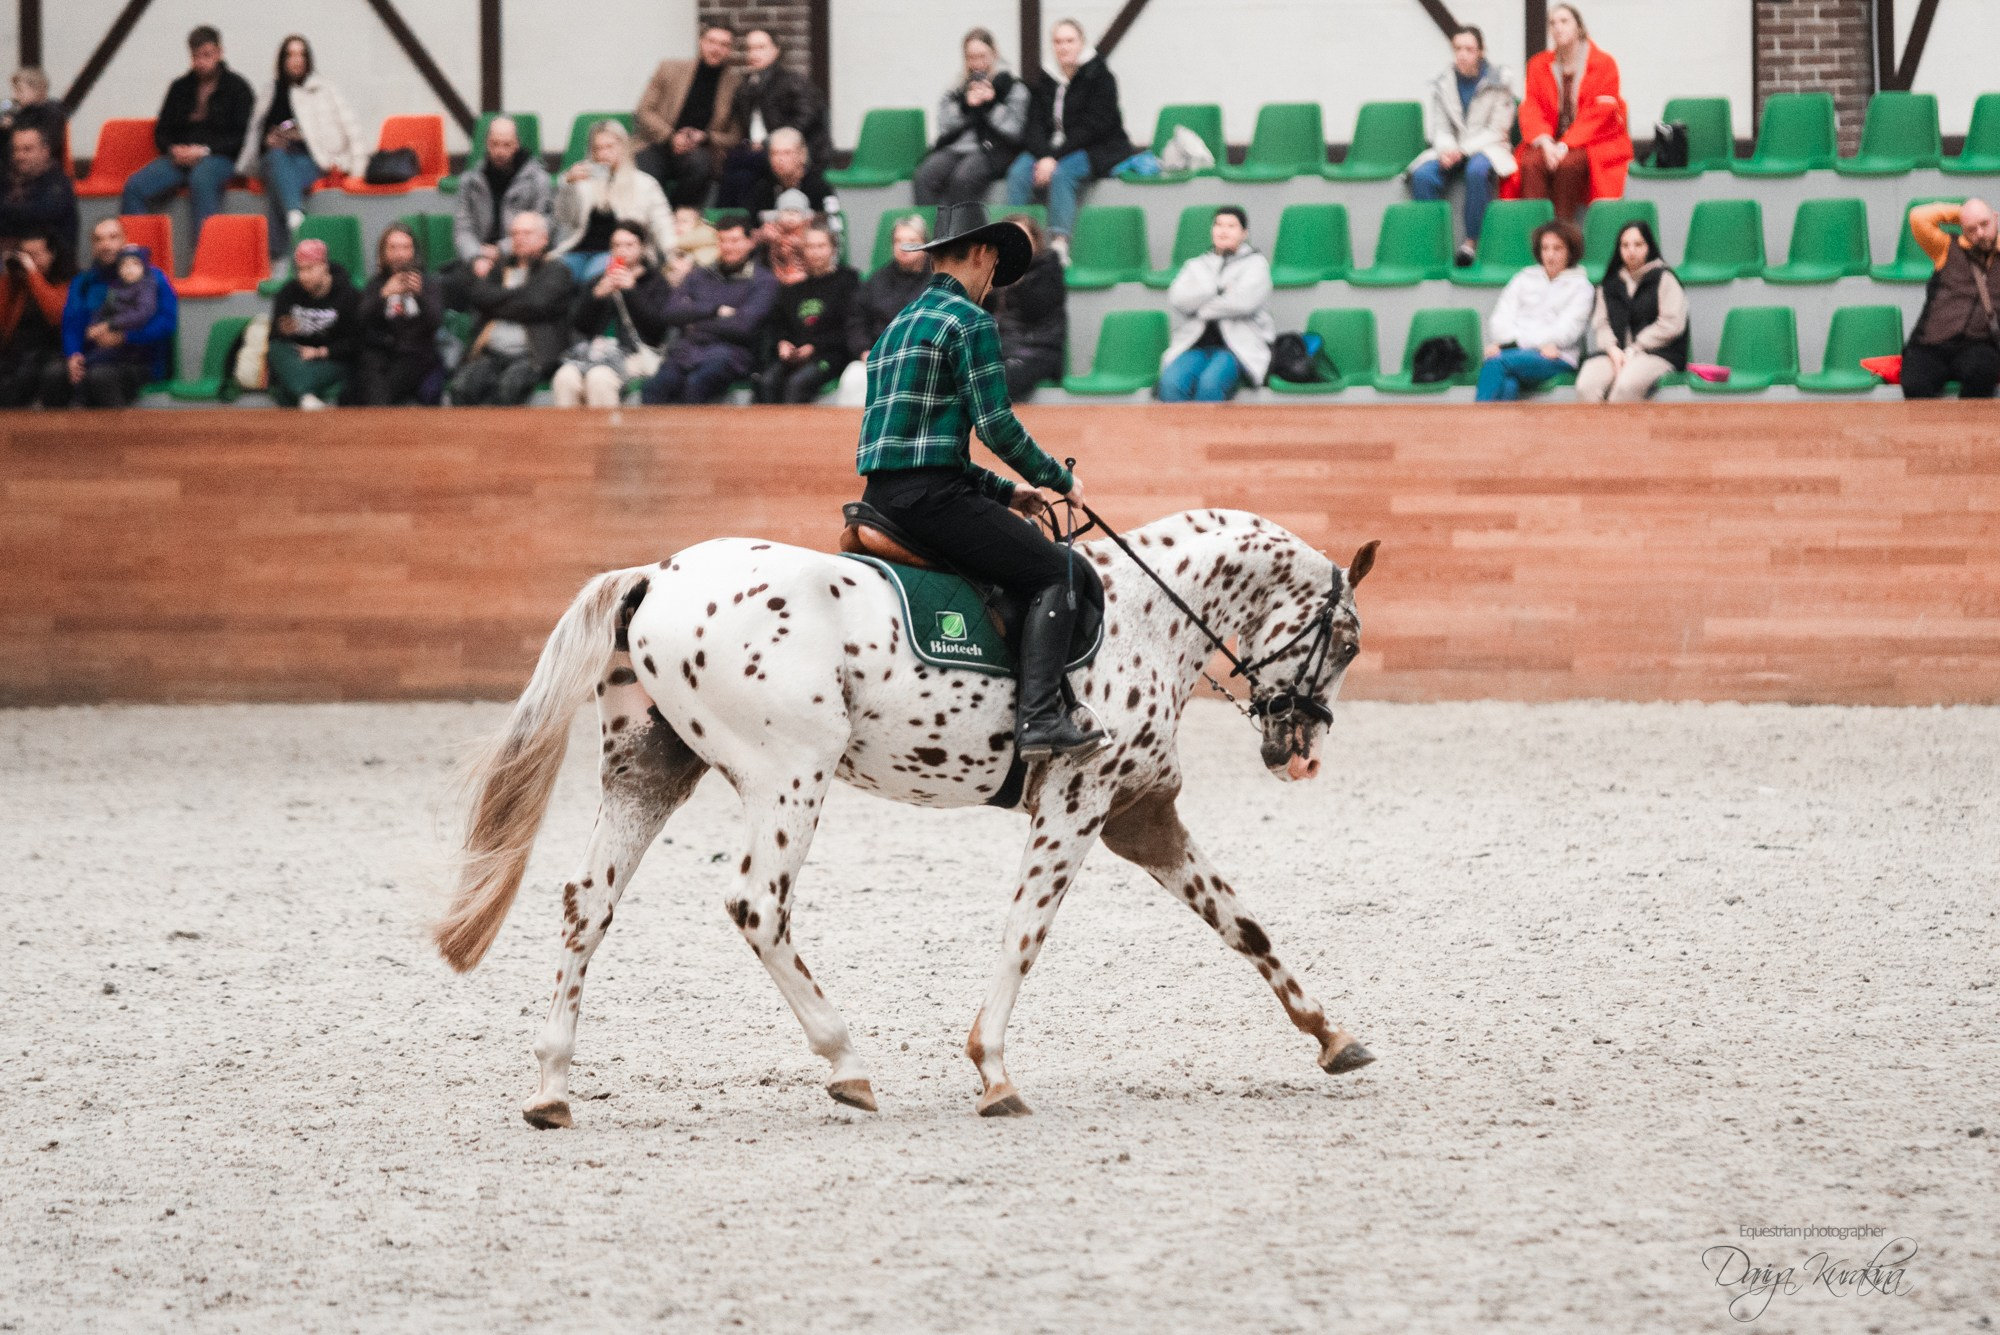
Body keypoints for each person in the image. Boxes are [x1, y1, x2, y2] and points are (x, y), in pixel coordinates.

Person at [855, 200, 1103, 759]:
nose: (994, 282)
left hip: (883, 497)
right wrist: (1056, 480)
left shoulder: (898, 325)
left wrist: (1007, 492)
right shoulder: (970, 322)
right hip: (932, 501)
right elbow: (996, 427)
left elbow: (917, 447)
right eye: (995, 266)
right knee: (1062, 570)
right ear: (985, 254)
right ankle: (1039, 719)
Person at [1005, 19, 1133, 260]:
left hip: (1094, 147)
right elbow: (1033, 125)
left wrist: (1053, 158)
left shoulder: (1101, 76)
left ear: (1081, 43)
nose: (1063, 47)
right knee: (1018, 172)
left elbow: (1094, 127)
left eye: (1069, 41)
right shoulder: (1045, 79)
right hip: (1051, 149)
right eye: (1057, 41)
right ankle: (1014, 241)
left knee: (1063, 173)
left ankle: (1058, 243)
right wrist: (1043, 155)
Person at [235, 35, 366, 257]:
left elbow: (350, 127)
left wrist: (302, 136)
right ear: (282, 60)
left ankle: (280, 256)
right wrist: (268, 140)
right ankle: (295, 215)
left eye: (301, 54)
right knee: (276, 160)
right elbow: (254, 136)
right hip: (274, 158)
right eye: (291, 54)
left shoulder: (324, 89)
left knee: (280, 182)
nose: (296, 60)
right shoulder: (270, 91)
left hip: (310, 159)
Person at [120, 26, 255, 239]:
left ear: (219, 53)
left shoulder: (238, 88)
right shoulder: (179, 88)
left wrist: (204, 151)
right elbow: (161, 132)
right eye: (195, 56)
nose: (201, 62)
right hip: (179, 159)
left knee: (201, 178)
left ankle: (205, 261)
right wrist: (173, 150)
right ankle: (136, 259)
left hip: (220, 158)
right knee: (134, 186)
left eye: (207, 55)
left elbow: (245, 137)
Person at [1407, 26, 1516, 267]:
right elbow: (1440, 127)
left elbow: (1498, 129)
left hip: (1488, 147)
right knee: (1422, 175)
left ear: (1481, 51)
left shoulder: (1500, 81)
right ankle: (1433, 244)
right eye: (1458, 49)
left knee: (1476, 171)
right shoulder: (1442, 84)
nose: (1462, 54)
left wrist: (1463, 151)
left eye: (1469, 49)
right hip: (1452, 149)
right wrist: (1447, 149)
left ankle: (1471, 243)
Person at [640, 212, 777, 403]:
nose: (728, 247)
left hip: (729, 355)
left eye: (735, 241)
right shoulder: (699, 275)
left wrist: (695, 325)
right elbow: (670, 312)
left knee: (696, 384)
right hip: (686, 352)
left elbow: (744, 326)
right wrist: (714, 310)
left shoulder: (763, 281)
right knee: (655, 388)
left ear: (750, 242)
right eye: (723, 241)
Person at [1513, 4, 1630, 222]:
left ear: (1579, 27)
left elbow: (1600, 114)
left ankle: (1561, 235)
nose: (1558, 27)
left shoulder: (1603, 63)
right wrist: (1546, 144)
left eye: (1564, 21)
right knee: (1530, 163)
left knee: (1567, 165)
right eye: (1553, 23)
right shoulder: (1538, 64)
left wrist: (1565, 144)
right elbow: (1531, 108)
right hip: (1549, 140)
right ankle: (1535, 235)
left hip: (1590, 141)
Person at [46, 217, 177, 408]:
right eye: (99, 239)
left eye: (113, 237)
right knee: (54, 374)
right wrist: (73, 354)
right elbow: (71, 324)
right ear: (92, 245)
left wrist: (125, 337)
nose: (106, 245)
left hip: (138, 358)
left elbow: (166, 323)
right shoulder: (83, 282)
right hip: (93, 355)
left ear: (124, 241)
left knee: (99, 377)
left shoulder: (152, 278)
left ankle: (118, 436)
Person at [449, 211, 576, 406]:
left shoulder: (556, 271)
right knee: (461, 387)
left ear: (543, 239)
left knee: (508, 388)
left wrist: (496, 304)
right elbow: (479, 296)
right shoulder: (499, 268)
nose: (519, 239)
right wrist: (521, 296)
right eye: (515, 233)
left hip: (532, 356)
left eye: (526, 233)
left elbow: (536, 305)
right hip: (490, 353)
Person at [1158, 206, 1275, 402]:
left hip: (1236, 347)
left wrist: (1200, 308)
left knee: (1209, 384)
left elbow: (1243, 302)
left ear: (1244, 233)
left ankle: (1209, 434)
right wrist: (1217, 290)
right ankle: (1179, 433)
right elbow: (1178, 299)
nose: (1223, 230)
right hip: (1195, 344)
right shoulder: (1195, 265)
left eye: (1231, 226)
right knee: (1171, 384)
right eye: (1218, 225)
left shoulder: (1256, 264)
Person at [552, 221, 673, 407]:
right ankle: (569, 435)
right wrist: (596, 297)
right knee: (565, 377)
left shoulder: (655, 282)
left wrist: (632, 292)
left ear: (642, 248)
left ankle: (604, 436)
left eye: (629, 245)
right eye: (617, 245)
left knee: (599, 378)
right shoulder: (597, 281)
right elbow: (578, 324)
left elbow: (656, 329)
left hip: (634, 354)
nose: (622, 250)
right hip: (595, 352)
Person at [1474, 218, 1593, 400]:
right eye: (1545, 248)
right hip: (1520, 353)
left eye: (1557, 248)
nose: (1550, 255)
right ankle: (1502, 428)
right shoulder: (1523, 278)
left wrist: (1512, 344)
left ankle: (1476, 425)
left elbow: (1565, 334)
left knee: (1495, 363)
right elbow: (1499, 321)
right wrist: (1524, 345)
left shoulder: (1582, 287)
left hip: (1557, 357)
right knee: (1508, 384)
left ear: (1570, 252)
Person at [715, 29, 832, 208]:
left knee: (741, 165)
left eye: (761, 47)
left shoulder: (793, 81)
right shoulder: (746, 86)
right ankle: (731, 219)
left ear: (776, 50)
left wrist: (771, 142)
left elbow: (806, 117)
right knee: (735, 166)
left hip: (792, 150)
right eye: (750, 49)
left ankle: (732, 217)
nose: (754, 54)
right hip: (756, 150)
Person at [913, 28, 1030, 208]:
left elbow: (1015, 130)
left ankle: (965, 234)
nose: (977, 63)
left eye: (982, 56)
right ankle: (929, 233)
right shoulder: (956, 88)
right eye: (971, 57)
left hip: (993, 150)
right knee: (924, 175)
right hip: (956, 148)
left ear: (994, 54)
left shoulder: (1013, 88)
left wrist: (991, 106)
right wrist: (965, 106)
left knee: (963, 178)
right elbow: (944, 125)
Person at [633, 21, 744, 209]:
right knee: (646, 169)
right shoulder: (669, 69)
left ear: (730, 50)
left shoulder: (736, 84)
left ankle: (676, 215)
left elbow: (735, 135)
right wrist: (671, 137)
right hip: (658, 143)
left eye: (724, 44)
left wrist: (706, 137)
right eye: (711, 41)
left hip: (699, 149)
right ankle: (650, 220)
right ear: (701, 41)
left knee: (702, 164)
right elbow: (644, 111)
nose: (716, 49)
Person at [447, 115, 555, 309]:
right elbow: (462, 227)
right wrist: (475, 257)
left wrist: (501, 250)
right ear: (487, 144)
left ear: (517, 145)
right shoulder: (470, 181)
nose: (500, 151)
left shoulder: (539, 180)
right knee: (448, 285)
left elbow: (544, 225)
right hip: (478, 256)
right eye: (495, 144)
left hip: (519, 257)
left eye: (507, 145)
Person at [1575, 219, 1687, 403]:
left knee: (1625, 386)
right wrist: (1612, 349)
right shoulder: (1610, 283)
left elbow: (1672, 323)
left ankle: (1620, 433)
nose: (1631, 250)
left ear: (1649, 246)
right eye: (1625, 245)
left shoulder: (1664, 278)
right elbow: (1601, 323)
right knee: (1586, 385)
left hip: (1657, 354)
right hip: (1614, 353)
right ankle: (1594, 432)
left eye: (1638, 244)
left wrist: (1636, 347)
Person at [552, 119, 675, 284]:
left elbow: (662, 223)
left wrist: (673, 254)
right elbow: (564, 218)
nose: (603, 154)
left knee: (591, 279)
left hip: (620, 254)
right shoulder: (581, 179)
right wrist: (568, 186)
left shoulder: (645, 184)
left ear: (623, 148)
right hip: (577, 250)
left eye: (609, 147)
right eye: (597, 148)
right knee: (551, 279)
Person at [1900, 199, 1999, 399]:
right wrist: (1962, 213)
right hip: (1931, 344)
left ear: (1996, 218)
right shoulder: (1945, 247)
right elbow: (1918, 217)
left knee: (1983, 371)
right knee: (1914, 382)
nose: (1979, 233)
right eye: (1971, 229)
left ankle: (1970, 429)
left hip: (1978, 344)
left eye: (1984, 224)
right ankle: (1928, 431)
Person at [753, 225, 857, 403]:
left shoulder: (847, 280)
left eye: (821, 246)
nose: (815, 252)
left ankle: (795, 431)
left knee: (797, 384)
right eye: (810, 246)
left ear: (832, 249)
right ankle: (768, 431)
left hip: (830, 355)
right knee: (766, 381)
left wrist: (814, 347)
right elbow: (779, 323)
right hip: (794, 355)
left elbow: (849, 326)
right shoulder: (793, 287)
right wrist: (783, 343)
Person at [835, 213, 931, 406]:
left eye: (912, 241)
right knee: (853, 379)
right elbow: (856, 321)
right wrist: (864, 351)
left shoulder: (940, 281)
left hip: (925, 362)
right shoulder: (876, 281)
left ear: (925, 245)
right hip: (879, 358)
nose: (904, 247)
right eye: (898, 241)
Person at [348, 222, 443, 406]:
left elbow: (436, 321)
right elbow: (359, 321)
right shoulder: (376, 284)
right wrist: (384, 294)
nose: (399, 254)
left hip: (415, 354)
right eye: (393, 248)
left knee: (379, 392)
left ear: (414, 252)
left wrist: (420, 296)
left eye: (405, 248)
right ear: (383, 253)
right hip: (379, 352)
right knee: (366, 371)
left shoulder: (428, 283)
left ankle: (380, 415)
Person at [267, 237, 358, 408]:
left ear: (324, 266)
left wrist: (320, 352)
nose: (303, 276)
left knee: (285, 388)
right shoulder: (288, 293)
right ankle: (303, 393)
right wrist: (283, 331)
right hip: (295, 357)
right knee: (276, 349)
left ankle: (296, 391)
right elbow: (275, 338)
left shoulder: (349, 296)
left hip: (329, 358)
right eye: (300, 270)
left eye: (310, 269)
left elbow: (354, 343)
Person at [991, 213, 1065, 400]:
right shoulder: (993, 273)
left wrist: (1018, 278)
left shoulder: (1048, 268)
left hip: (1038, 348)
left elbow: (1036, 309)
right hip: (1003, 346)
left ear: (1035, 241)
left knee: (998, 383)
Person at [0, 231, 69, 406]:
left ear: (51, 255)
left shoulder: (66, 281)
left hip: (50, 351)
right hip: (15, 352)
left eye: (35, 255)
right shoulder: (17, 285)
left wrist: (32, 273)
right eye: (25, 255)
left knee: (26, 374)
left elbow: (56, 314)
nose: (28, 260)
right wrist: (9, 277)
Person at [0, 125, 78, 272]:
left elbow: (39, 214)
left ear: (45, 151)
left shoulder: (58, 183)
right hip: (10, 265)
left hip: (52, 274)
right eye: (16, 149)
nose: (20, 156)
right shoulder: (7, 180)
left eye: (27, 149)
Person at [742, 126, 837, 218]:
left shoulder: (818, 188)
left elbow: (831, 224)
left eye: (787, 153)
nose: (779, 159)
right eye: (774, 153)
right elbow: (751, 225)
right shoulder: (763, 188)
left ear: (802, 155)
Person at [0, 68, 68, 184]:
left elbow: (48, 143)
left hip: (42, 169)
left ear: (37, 90)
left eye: (20, 91)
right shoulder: (20, 112)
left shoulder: (52, 112)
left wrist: (12, 127)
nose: (15, 96)